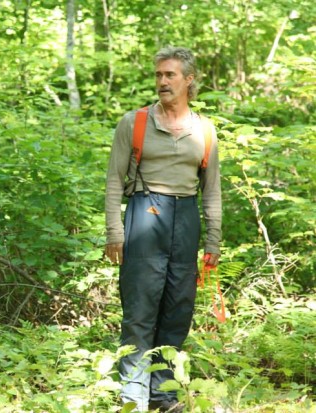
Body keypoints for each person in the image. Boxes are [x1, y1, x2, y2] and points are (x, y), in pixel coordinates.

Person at [104, 47, 221, 412]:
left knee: (178, 309)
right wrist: (114, 232)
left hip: (186, 217)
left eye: (170, 75)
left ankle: (164, 394)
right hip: (144, 213)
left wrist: (213, 239)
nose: (162, 82)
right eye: (158, 75)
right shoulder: (134, 123)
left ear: (189, 79)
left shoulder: (204, 129)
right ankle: (133, 397)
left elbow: (212, 188)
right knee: (140, 308)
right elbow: (113, 181)